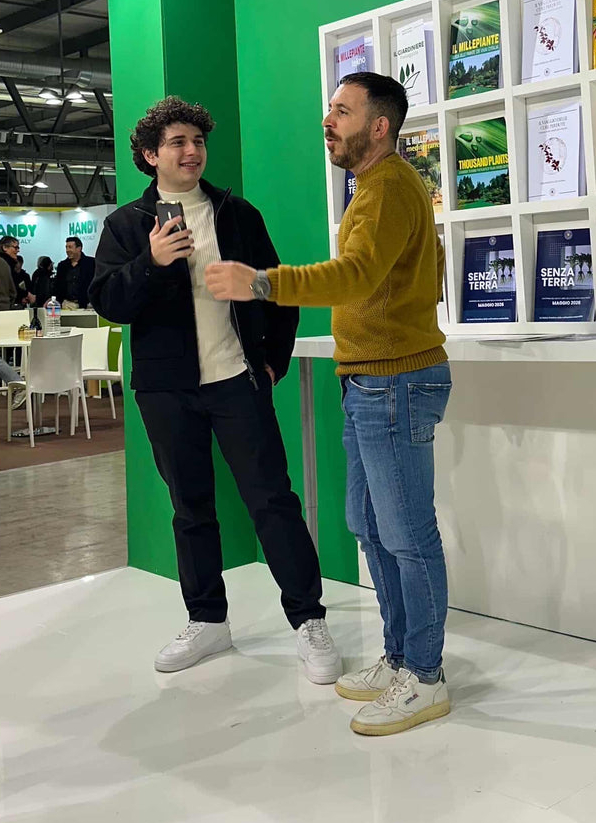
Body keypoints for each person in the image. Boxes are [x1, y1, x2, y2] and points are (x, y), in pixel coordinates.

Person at [206, 72, 451, 739]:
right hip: (371, 380)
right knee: (370, 526)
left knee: (407, 535)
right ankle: (400, 658)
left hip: (396, 381)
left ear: (380, 125)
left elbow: (356, 275)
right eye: (329, 109)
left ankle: (425, 676)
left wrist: (260, 283)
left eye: (342, 110)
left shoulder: (389, 186)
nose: (328, 120)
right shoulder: (373, 187)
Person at [90, 96, 341, 684]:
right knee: (191, 508)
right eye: (177, 143)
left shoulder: (238, 214)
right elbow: (108, 302)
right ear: (149, 155)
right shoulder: (127, 225)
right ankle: (207, 619)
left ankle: (308, 619)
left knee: (273, 501)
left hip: (237, 383)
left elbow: (278, 289)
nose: (191, 152)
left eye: (198, 141)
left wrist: (271, 363)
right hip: (166, 391)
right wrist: (151, 262)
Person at [0, 235, 26, 397]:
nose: (17, 251)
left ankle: (18, 384)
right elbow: (13, 292)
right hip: (3, 311)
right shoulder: (3, 264)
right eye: (15, 247)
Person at [54, 235, 94, 310]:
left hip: (87, 305)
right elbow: (58, 286)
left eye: (70, 247)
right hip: (67, 305)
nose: (67, 250)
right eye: (66, 247)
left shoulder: (91, 263)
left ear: (79, 248)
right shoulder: (62, 266)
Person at [29, 254, 54, 327]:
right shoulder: (46, 276)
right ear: (49, 265)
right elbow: (45, 291)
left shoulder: (36, 274)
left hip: (35, 304)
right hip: (46, 304)